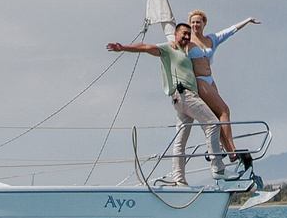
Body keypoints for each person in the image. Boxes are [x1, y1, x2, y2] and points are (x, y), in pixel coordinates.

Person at [107, 22, 225, 185]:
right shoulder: (168, 49)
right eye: (183, 33)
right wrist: (124, 48)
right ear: (175, 35)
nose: (186, 36)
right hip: (185, 96)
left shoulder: (186, 52)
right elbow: (144, 47)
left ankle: (179, 180)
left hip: (183, 100)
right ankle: (218, 169)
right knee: (212, 124)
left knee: (181, 139)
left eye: (188, 34)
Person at [185, 12, 260, 165]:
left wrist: (247, 20)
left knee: (216, 115)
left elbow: (230, 31)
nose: (195, 26)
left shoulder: (211, 39)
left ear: (204, 23)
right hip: (199, 80)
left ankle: (227, 148)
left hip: (210, 79)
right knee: (224, 110)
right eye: (192, 23)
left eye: (198, 22)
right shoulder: (187, 42)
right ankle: (231, 150)